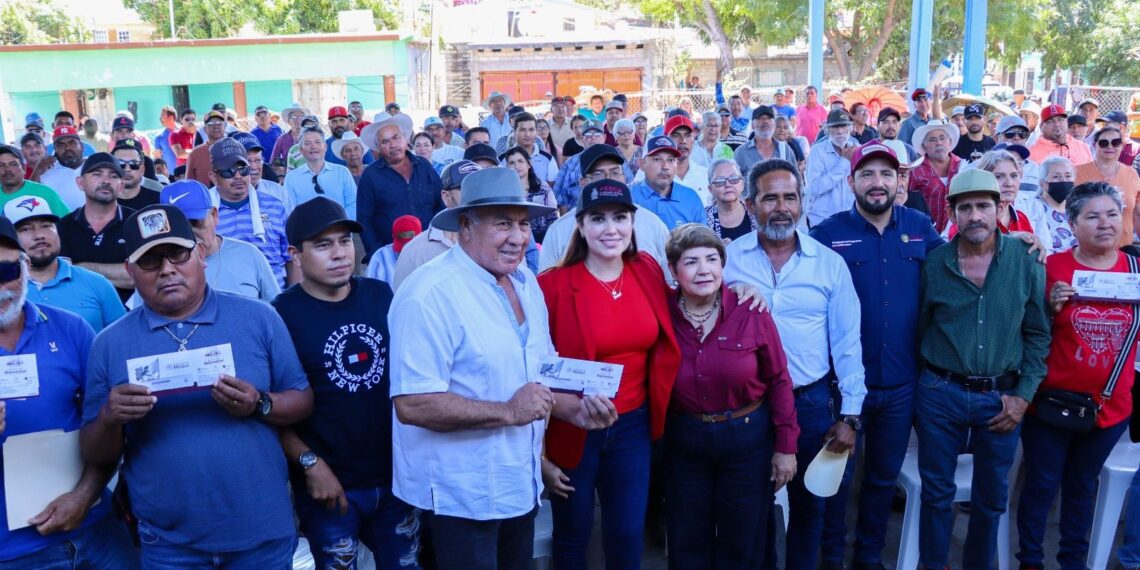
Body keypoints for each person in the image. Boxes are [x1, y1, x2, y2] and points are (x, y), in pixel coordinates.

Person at [79, 203, 313, 568]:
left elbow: (302, 400)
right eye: (150, 261)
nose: (167, 270)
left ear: (201, 254)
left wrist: (258, 403)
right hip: (169, 542)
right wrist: (110, 417)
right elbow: (96, 454)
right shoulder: (109, 344)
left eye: (177, 254)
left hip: (261, 532)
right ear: (130, 271)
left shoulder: (259, 318)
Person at [388, 167, 559, 570]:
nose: (517, 236)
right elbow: (413, 404)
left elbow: (538, 374)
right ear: (465, 225)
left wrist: (572, 407)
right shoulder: (428, 294)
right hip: (460, 499)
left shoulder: (526, 283)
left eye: (522, 223)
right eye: (502, 223)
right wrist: (509, 412)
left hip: (519, 484)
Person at [723, 158, 866, 570]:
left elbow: (847, 344)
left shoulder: (828, 264)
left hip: (809, 404)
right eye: (770, 198)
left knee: (809, 510)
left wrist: (851, 416)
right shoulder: (728, 260)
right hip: (746, 408)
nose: (781, 207)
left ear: (803, 202)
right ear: (750, 205)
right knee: (751, 510)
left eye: (790, 197)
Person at [810, 142, 946, 570]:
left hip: (901, 384)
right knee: (836, 478)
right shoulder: (829, 234)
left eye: (887, 174)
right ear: (851, 182)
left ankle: (868, 557)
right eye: (867, 174)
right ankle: (831, 556)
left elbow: (961, 266)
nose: (877, 182)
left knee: (882, 479)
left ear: (899, 181)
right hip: (842, 387)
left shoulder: (921, 227)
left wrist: (1016, 241)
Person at [274, 198, 422, 570]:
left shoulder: (380, 296)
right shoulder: (279, 316)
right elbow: (270, 409)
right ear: (295, 253)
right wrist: (310, 465)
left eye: (344, 241)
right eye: (323, 245)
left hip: (396, 482)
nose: (340, 253)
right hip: (329, 488)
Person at [916, 168, 1050, 570]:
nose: (975, 215)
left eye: (983, 206)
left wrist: (1023, 397)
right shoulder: (935, 263)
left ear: (1000, 208)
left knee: (990, 499)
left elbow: (1039, 334)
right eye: (966, 207)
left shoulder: (1025, 261)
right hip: (941, 392)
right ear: (953, 213)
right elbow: (921, 325)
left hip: (1002, 399)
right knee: (937, 494)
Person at [538, 178, 674, 569]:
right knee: (573, 535)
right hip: (572, 428)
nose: (610, 229)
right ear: (580, 226)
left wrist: (744, 289)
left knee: (627, 535)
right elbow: (531, 367)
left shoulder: (646, 270)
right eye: (598, 219)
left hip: (633, 424)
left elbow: (697, 294)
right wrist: (541, 456)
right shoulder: (553, 285)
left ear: (633, 223)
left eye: (620, 218)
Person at [0, 217, 138, 570]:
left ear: (25, 267)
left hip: (95, 528)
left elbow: (106, 422)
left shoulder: (70, 328)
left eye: (6, 272)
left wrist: (84, 496)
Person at [1015, 181, 1138, 570]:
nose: (1105, 223)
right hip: (1050, 404)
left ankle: (1073, 561)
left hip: (1109, 408)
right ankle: (1030, 560)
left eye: (1113, 214)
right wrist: (1048, 309)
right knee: (1041, 486)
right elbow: (1025, 331)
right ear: (1072, 223)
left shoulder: (1135, 269)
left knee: (1082, 487)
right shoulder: (1051, 267)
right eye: (1093, 216)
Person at [663, 223, 798, 568]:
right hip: (685, 441)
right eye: (691, 261)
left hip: (746, 438)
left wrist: (785, 447)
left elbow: (779, 379)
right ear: (674, 270)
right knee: (686, 538)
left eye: (712, 259)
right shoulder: (661, 312)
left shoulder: (750, 308)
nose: (703, 269)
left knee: (744, 541)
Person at [540, 145, 671, 276]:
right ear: (583, 182)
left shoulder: (652, 223)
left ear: (624, 178)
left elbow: (669, 280)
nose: (608, 178)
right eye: (598, 174)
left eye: (615, 172)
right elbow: (546, 287)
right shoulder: (559, 230)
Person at [150, 180, 280, 303]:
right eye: (179, 226)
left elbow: (276, 311)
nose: (189, 233)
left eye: (196, 223)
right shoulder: (156, 266)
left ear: (214, 215)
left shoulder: (249, 254)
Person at [6, 197, 125, 331]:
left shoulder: (97, 283)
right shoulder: (4, 290)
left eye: (46, 226)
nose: (39, 235)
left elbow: (123, 341)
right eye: (26, 229)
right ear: (9, 239)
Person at [207, 138, 293, 289]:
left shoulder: (275, 206)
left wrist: (291, 299)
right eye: (229, 171)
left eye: (243, 169)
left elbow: (292, 258)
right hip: (225, 301)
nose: (238, 176)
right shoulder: (204, 215)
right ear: (214, 177)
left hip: (276, 301)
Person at [358, 115, 444, 255]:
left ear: (405, 139)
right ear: (378, 147)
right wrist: (377, 253)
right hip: (391, 252)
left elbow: (441, 206)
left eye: (396, 137)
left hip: (430, 250)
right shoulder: (370, 175)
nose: (392, 145)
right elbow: (365, 219)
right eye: (385, 141)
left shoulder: (424, 167)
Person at [55, 153, 135, 301]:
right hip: (78, 312)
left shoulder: (136, 222)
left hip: (130, 315)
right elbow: (62, 277)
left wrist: (80, 268)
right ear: (80, 183)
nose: (106, 181)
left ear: (121, 186)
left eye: (113, 176)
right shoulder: (63, 226)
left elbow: (138, 276)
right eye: (97, 174)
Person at [391, 160, 479, 291]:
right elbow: (403, 303)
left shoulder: (499, 243)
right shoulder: (416, 252)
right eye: (466, 188)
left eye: (480, 188)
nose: (476, 195)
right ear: (446, 197)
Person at [945, 149, 1037, 238]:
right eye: (999, 177)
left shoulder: (1022, 218)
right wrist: (1010, 240)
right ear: (982, 180)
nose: (1009, 183)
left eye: (1014, 176)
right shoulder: (970, 219)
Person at [1076, 125, 1140, 247]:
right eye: (1104, 143)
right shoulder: (1077, 173)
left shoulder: (1131, 174)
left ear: (1122, 145)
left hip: (1124, 248)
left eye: (1115, 142)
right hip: (1087, 250)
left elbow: (1137, 213)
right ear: (1095, 145)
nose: (1110, 146)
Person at [554, 119, 633, 213]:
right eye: (588, 135)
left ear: (604, 137)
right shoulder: (570, 163)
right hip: (579, 215)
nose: (593, 138)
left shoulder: (617, 158)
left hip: (616, 211)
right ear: (582, 139)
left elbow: (630, 187)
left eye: (597, 134)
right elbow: (561, 199)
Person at [284, 127, 357, 219]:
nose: (313, 146)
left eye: (317, 142)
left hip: (340, 229)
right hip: (307, 231)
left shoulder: (342, 172)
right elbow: (289, 210)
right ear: (301, 150)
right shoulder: (292, 178)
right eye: (307, 143)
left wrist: (337, 223)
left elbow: (353, 203)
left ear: (325, 147)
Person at [632, 136, 704, 229]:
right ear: (642, 164)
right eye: (657, 159)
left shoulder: (691, 198)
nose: (665, 166)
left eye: (671, 160)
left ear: (677, 164)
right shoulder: (628, 196)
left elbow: (703, 240)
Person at [805, 110, 859, 227]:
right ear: (828, 130)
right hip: (822, 222)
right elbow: (815, 188)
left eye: (843, 126)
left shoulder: (857, 150)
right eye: (835, 127)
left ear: (850, 128)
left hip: (852, 221)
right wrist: (844, 162)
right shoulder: (817, 151)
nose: (840, 131)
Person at [909, 120, 962, 233]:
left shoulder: (962, 166)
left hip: (958, 235)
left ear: (949, 141)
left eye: (942, 138)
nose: (938, 143)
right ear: (924, 145)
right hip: (926, 235)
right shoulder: (915, 171)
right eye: (932, 139)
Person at [502, 146, 557, 243]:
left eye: (520, 161)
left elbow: (552, 218)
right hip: (513, 239)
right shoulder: (503, 192)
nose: (516, 166)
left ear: (529, 164)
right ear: (507, 167)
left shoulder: (543, 188)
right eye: (512, 163)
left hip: (542, 238)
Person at [0, 145, 69, 216]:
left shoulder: (45, 193)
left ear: (24, 168)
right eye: (1, 165)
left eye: (13, 164)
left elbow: (67, 222)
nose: (7, 169)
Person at [230, 131, 290, 210]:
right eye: (248, 161)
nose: (254, 166)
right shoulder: (223, 196)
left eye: (258, 160)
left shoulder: (278, 192)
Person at [704, 158, 757, 243]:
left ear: (742, 184)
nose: (728, 184)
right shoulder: (702, 218)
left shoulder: (756, 214)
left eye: (734, 179)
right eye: (720, 181)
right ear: (710, 189)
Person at [734, 106, 796, 176]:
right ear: (752, 125)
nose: (765, 121)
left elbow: (796, 179)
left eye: (769, 118)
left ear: (774, 124)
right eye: (760, 118)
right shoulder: (741, 152)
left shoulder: (785, 149)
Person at [35, 126, 87, 209]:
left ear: (82, 146)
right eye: (61, 145)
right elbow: (32, 199)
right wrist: (37, 171)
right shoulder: (46, 175)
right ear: (55, 149)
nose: (67, 148)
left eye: (72, 143)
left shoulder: (96, 166)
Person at [1028, 104, 1093, 165]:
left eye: (1060, 119)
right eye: (1050, 121)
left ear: (1066, 122)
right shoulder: (1032, 154)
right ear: (1041, 127)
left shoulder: (1083, 147)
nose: (1057, 124)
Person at [366, 215, 422, 285]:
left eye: (410, 245)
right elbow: (371, 289)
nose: (405, 250)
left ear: (421, 237)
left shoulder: (430, 254)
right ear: (393, 236)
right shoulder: (380, 256)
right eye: (403, 244)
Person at [111, 139, 160, 211]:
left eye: (134, 164)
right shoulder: (100, 199)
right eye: (120, 164)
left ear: (142, 169)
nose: (127, 169)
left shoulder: (158, 200)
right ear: (111, 167)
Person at [185, 109, 228, 186]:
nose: (216, 126)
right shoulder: (195, 154)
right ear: (205, 129)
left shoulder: (233, 148)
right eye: (211, 123)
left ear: (224, 127)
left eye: (219, 123)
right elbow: (189, 184)